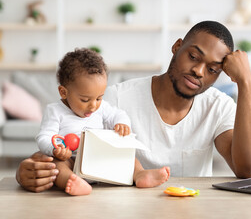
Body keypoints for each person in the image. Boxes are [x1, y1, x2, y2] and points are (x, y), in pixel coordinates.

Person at [16, 21, 251, 192]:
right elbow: (66, 143)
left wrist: (246, 81)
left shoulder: (218, 107)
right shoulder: (114, 99)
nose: (198, 71)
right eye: (193, 56)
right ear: (177, 47)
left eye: (212, 69)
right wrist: (25, 173)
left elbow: (247, 168)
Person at [33, 48, 170, 195]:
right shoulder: (55, 111)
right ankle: (72, 181)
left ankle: (140, 174)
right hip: (69, 160)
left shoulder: (101, 108)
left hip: (97, 158)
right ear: (63, 92)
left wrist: (122, 123)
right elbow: (44, 137)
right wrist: (55, 150)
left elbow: (118, 114)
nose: (93, 106)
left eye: (99, 98)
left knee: (129, 157)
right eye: (85, 100)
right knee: (56, 166)